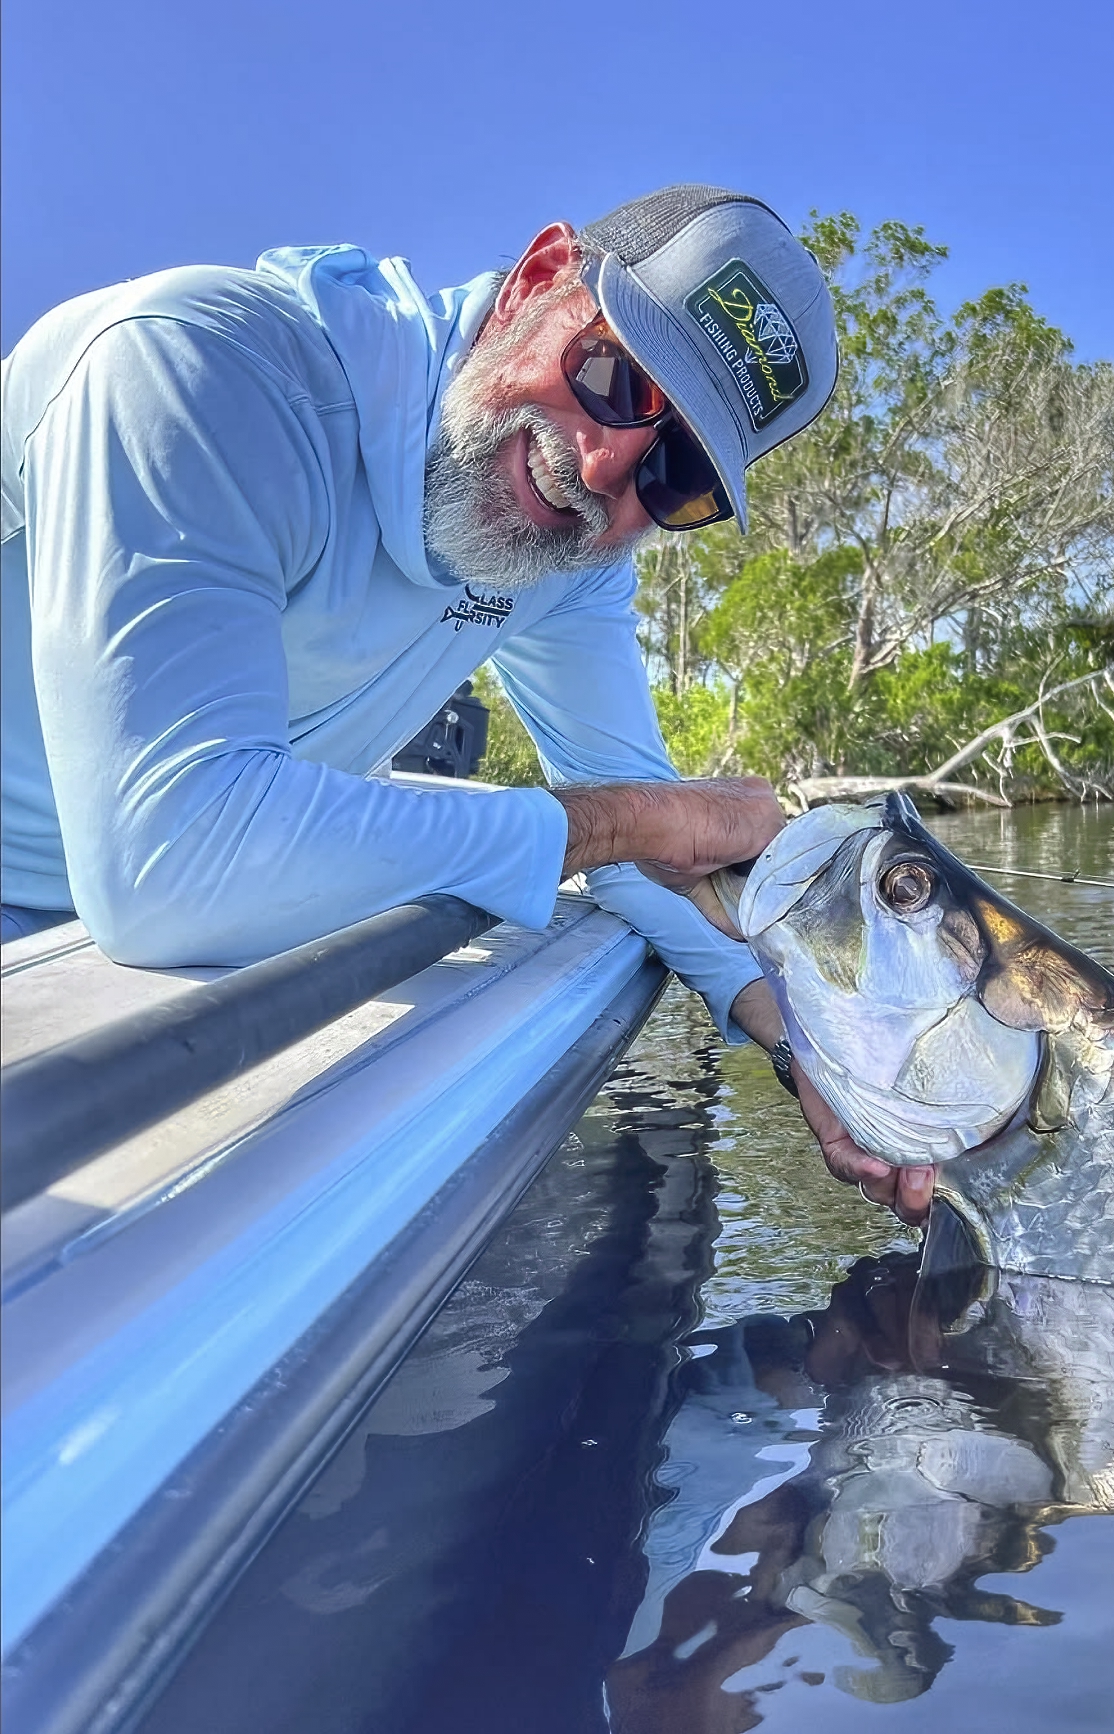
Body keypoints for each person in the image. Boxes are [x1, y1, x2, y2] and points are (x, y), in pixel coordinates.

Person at [0, 183, 932, 1223]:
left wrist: (802, 1043)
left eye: (676, 476)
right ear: (535, 280)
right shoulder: (195, 369)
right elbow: (165, 866)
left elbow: (648, 852)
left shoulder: (575, 559)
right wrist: (641, 817)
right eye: (613, 375)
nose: (603, 464)